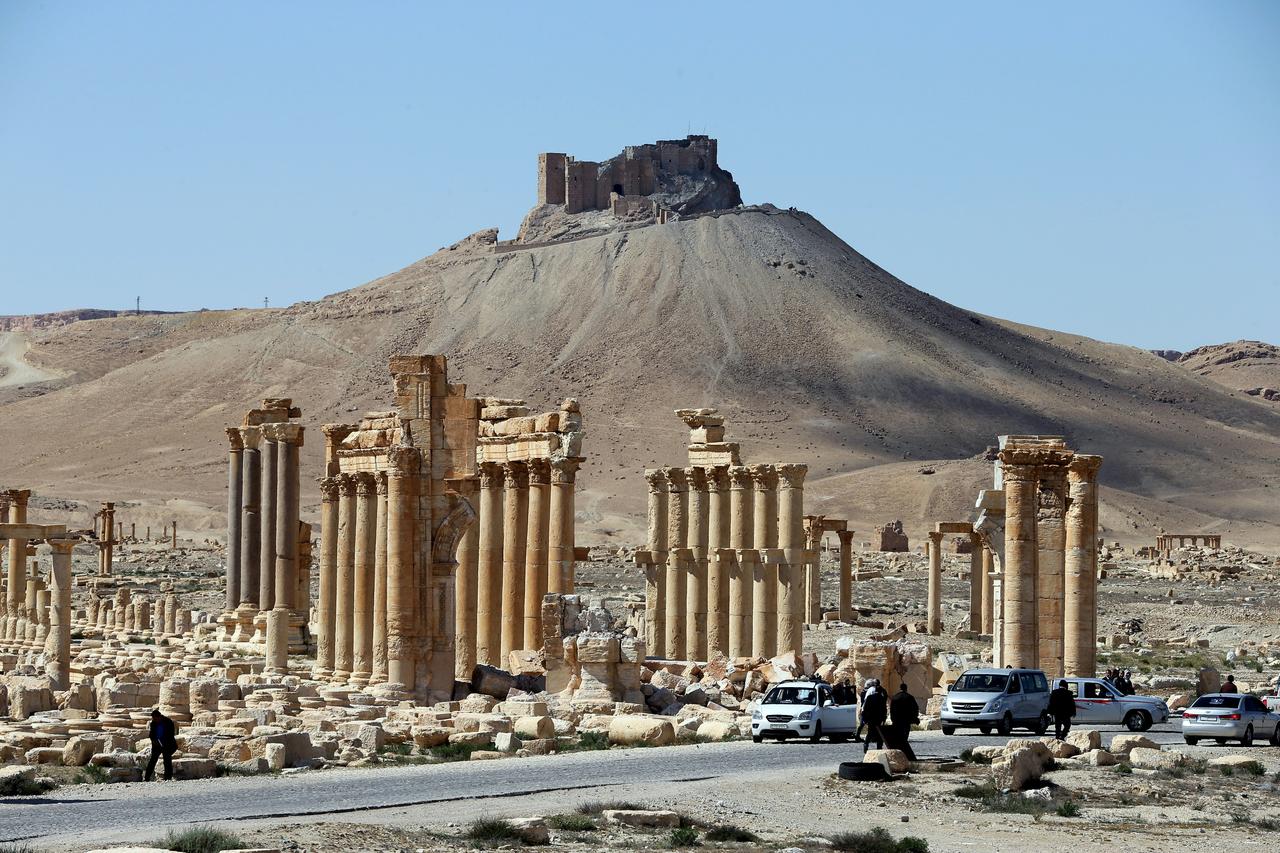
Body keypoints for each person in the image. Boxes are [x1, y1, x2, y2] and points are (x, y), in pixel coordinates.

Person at [888, 684, 920, 760]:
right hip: (906, 720)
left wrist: (893, 719)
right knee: (905, 735)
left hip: (897, 720)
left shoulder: (895, 697)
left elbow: (891, 710)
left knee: (898, 735)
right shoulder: (909, 697)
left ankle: (899, 750)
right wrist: (914, 718)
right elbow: (915, 708)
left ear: (899, 688)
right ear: (906, 688)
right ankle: (904, 750)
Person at [145, 708, 178, 782]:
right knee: (152, 761)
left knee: (167, 761)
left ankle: (168, 778)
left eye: (155, 718)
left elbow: (171, 734)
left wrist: (165, 743)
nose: (154, 720)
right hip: (157, 745)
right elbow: (151, 734)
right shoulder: (153, 723)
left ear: (159, 716)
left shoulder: (168, 722)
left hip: (167, 744)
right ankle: (147, 778)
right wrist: (154, 741)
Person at [860, 681, 888, 754]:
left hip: (871, 718)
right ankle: (879, 747)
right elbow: (884, 709)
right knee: (879, 733)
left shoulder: (869, 697)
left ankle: (866, 744)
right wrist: (884, 718)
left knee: (870, 732)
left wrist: (865, 718)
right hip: (878, 718)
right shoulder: (881, 698)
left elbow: (865, 708)